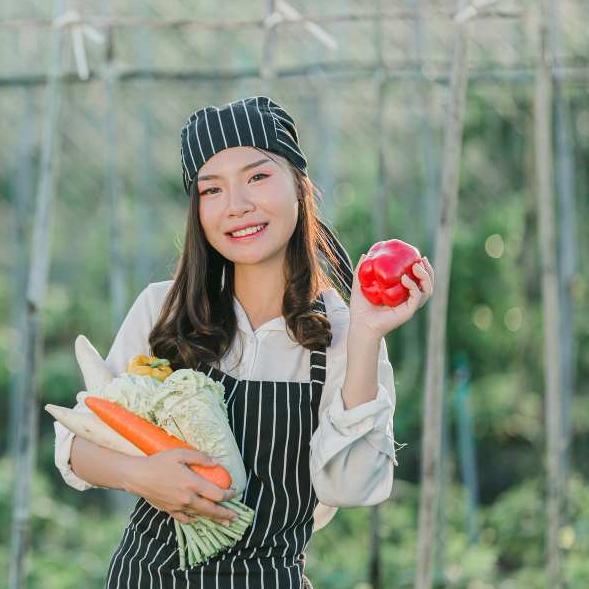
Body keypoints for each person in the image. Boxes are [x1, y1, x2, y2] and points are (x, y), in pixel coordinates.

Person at [52, 96, 434, 587]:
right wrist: (140, 476)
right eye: (212, 190)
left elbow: (350, 486)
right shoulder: (162, 311)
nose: (237, 206)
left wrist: (365, 335)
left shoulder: (344, 331)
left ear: (299, 185)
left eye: (257, 177)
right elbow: (77, 443)